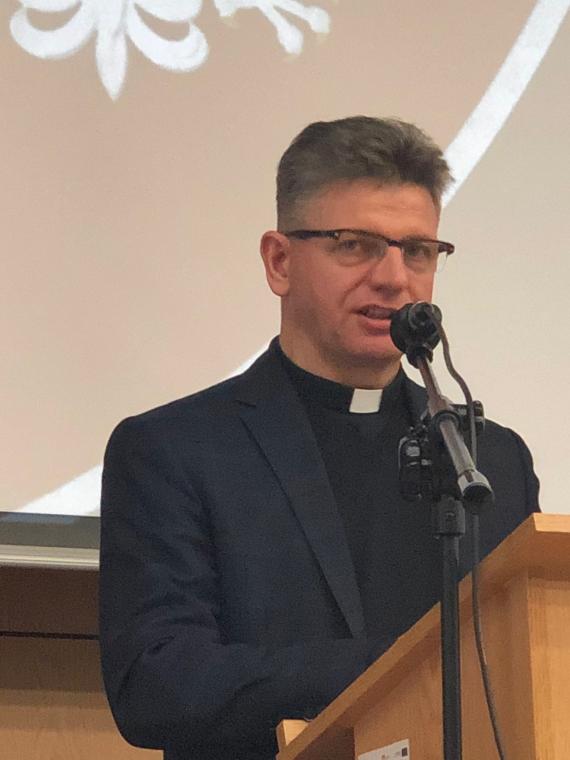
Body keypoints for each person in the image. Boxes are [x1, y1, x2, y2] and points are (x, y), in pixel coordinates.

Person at [99, 116, 539, 760]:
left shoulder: (488, 459)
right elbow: (158, 685)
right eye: (356, 245)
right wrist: (393, 669)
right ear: (280, 261)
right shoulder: (175, 451)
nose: (394, 278)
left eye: (418, 251)